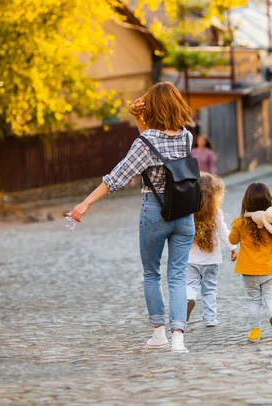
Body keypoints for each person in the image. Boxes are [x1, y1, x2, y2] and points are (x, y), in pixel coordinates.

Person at [69, 82, 195, 353]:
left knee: (151, 273)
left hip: (155, 213)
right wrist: (139, 119)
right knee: (177, 276)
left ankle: (159, 335)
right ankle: (178, 341)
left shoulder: (145, 142)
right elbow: (154, 147)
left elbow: (118, 175)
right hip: (184, 213)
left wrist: (86, 202)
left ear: (153, 107)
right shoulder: (186, 137)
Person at [229, 182, 272, 343]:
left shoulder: (240, 223)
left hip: (248, 272)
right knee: (271, 298)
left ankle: (255, 332)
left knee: (253, 301)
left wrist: (236, 227)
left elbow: (232, 239)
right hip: (268, 270)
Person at [186, 173, 238, 327]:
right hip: (211, 260)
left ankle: (190, 298)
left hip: (190, 258)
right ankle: (210, 318)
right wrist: (233, 247)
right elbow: (223, 231)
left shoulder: (189, 210)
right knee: (209, 289)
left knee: (190, 284)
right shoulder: (216, 212)